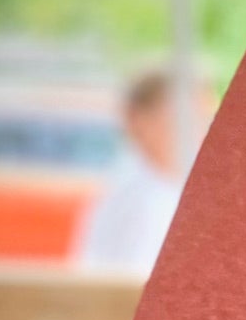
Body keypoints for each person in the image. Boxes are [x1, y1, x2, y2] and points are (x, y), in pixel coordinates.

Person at [77, 70, 188, 274]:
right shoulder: (140, 195)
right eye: (183, 115)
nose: (201, 126)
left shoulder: (162, 183)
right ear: (139, 118)